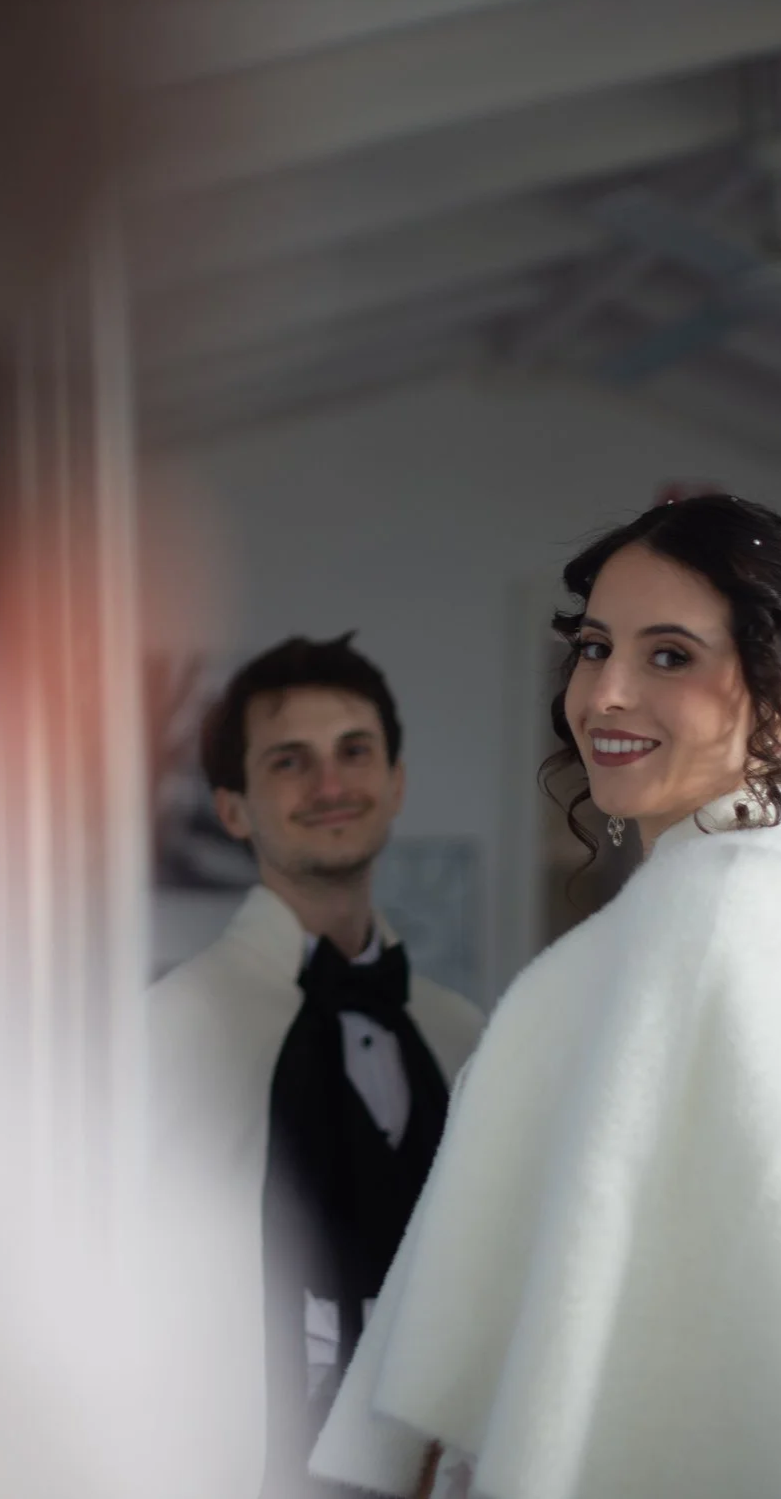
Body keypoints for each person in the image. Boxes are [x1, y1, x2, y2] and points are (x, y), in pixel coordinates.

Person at [311, 497, 781, 1499]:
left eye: (669, 656)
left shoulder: (716, 915)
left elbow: (721, 1312)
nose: (604, 693)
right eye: (594, 646)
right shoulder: (734, 896)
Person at [144, 634, 485, 1499]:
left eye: (354, 752)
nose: (331, 785)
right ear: (232, 808)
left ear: (396, 781)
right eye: (290, 761)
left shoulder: (467, 1036)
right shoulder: (159, 1035)